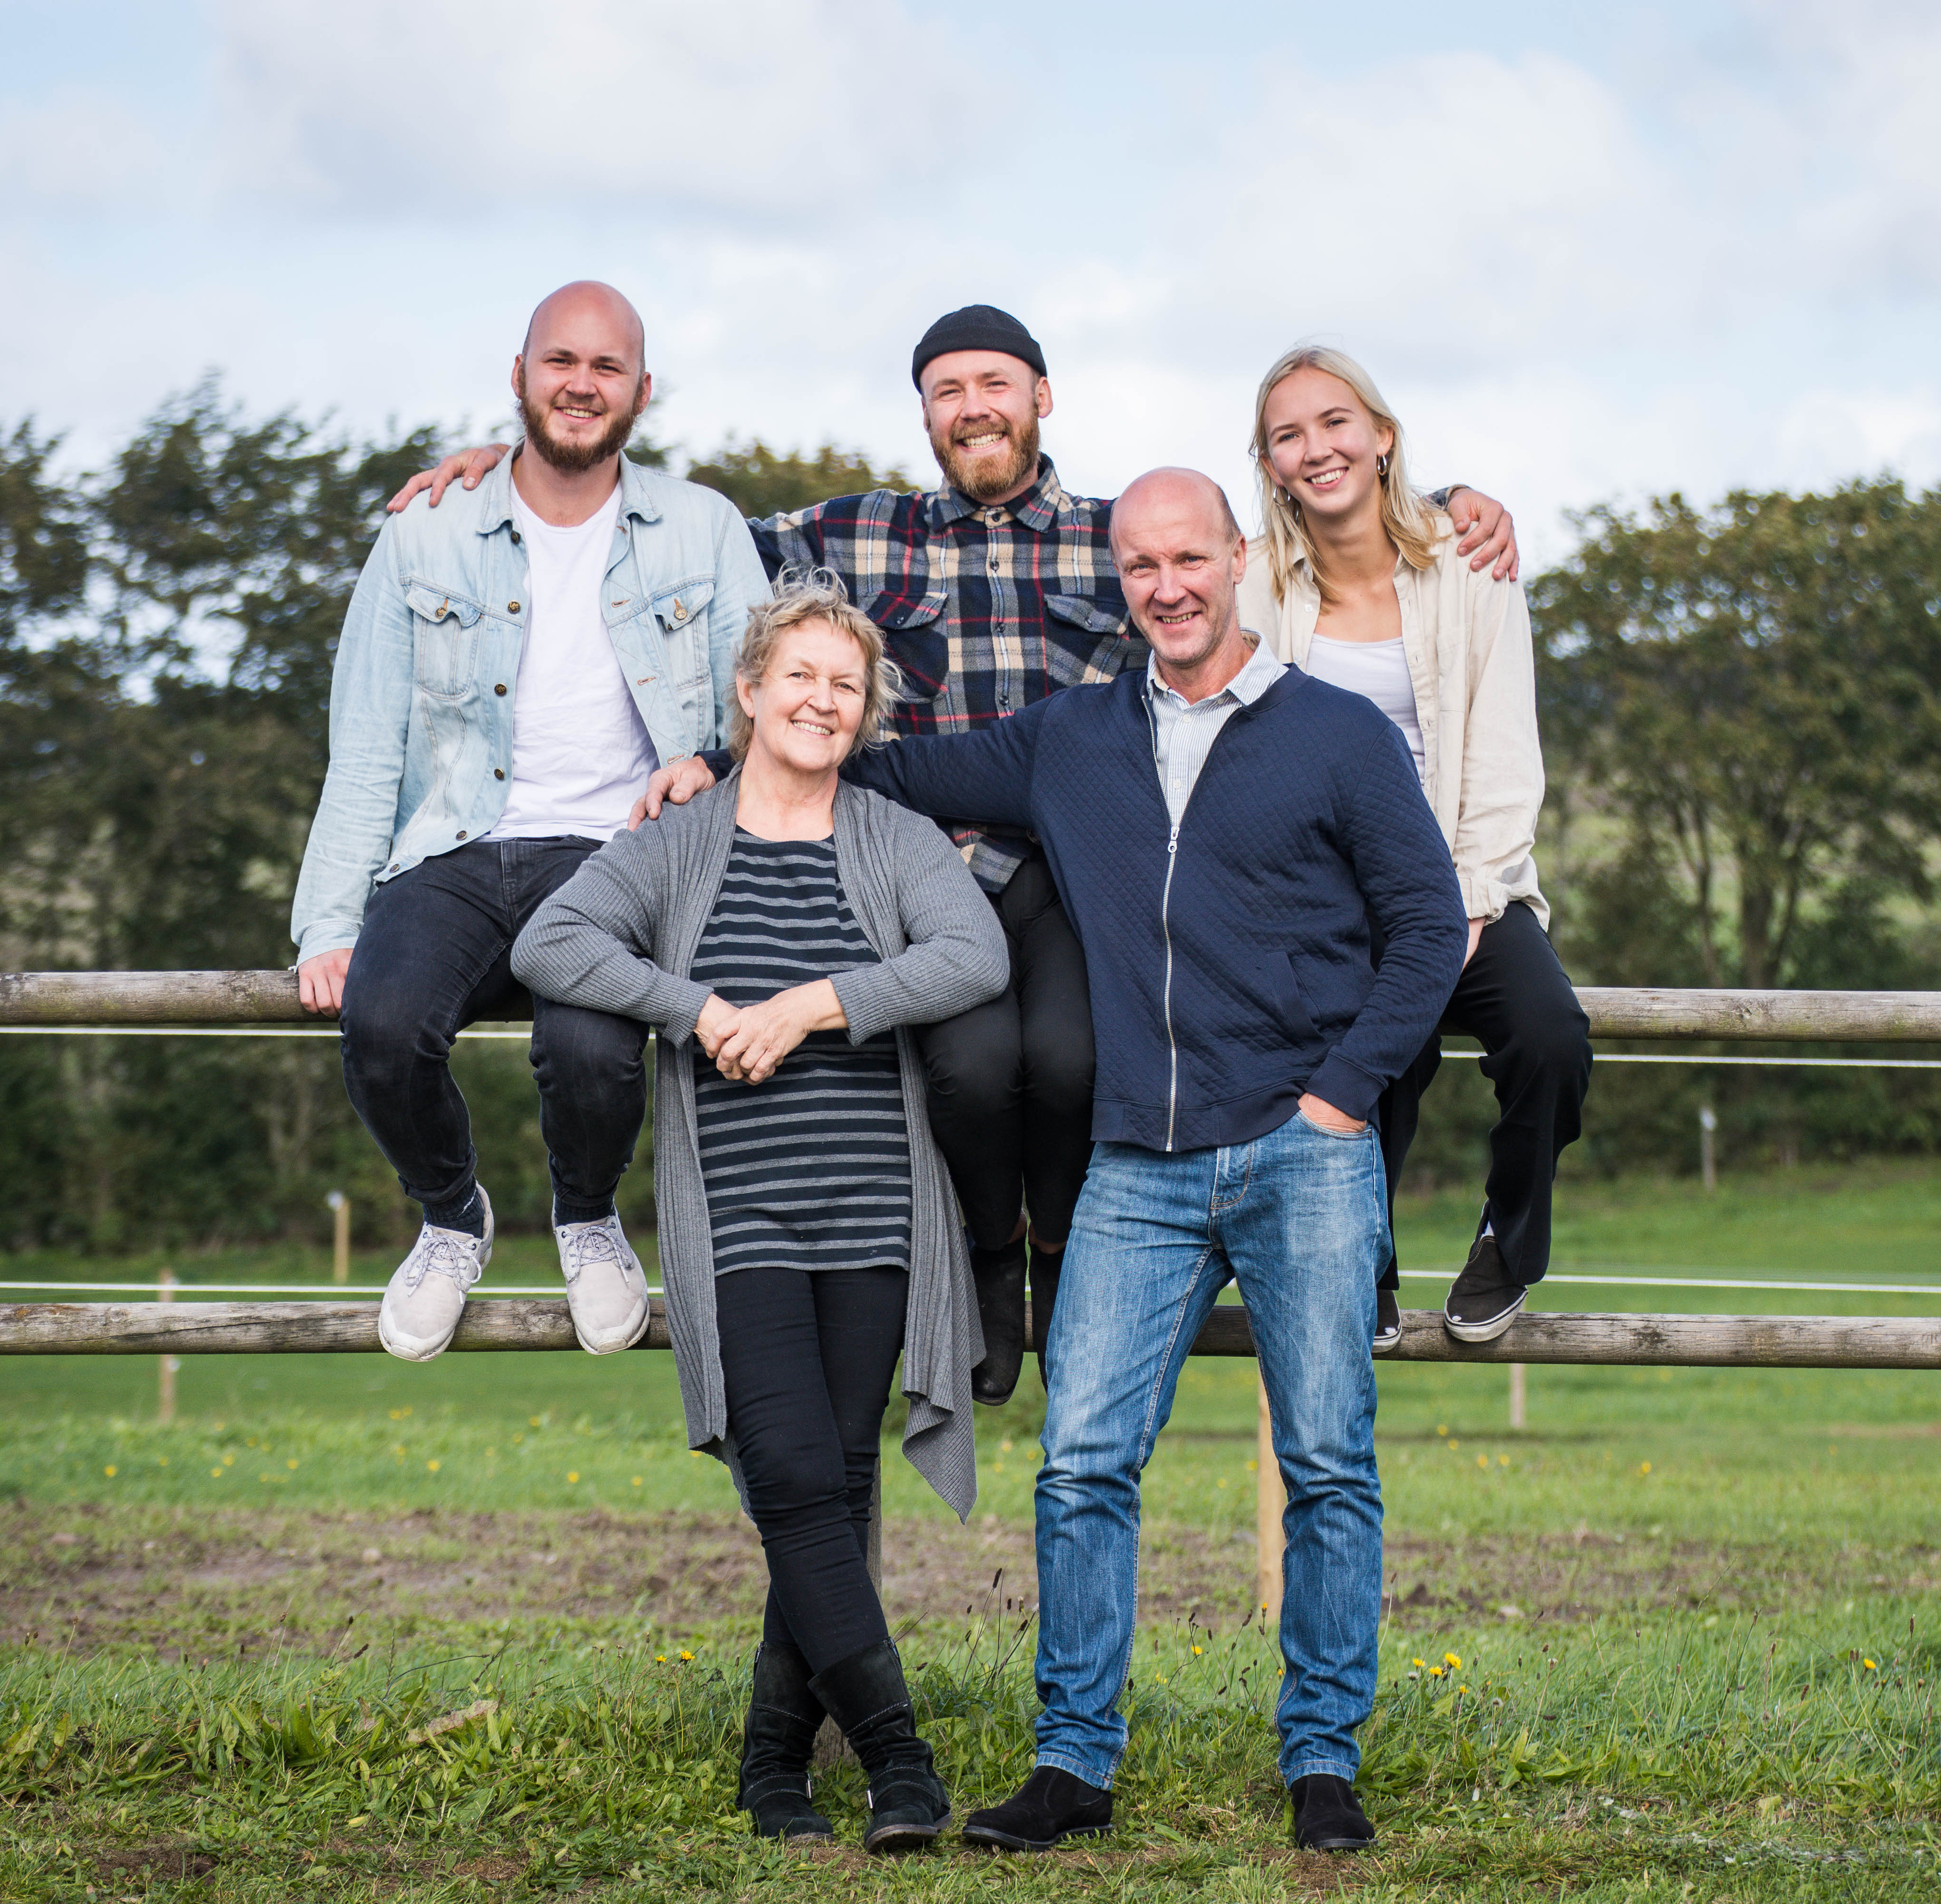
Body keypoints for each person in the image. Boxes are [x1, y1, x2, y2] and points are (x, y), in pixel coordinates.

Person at [398, 306, 1523, 1408]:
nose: (974, 407)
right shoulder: (860, 533)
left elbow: (1288, 533)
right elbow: (676, 539)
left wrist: (1451, 501)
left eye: (996, 384)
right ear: (928, 413)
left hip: (1092, 876)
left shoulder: (1115, 530)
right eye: (949, 391)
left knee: (1079, 1065)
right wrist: (532, 470)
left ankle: (1060, 1252)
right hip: (937, 863)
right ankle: (990, 1254)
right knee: (971, 1072)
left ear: (1041, 396)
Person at [836, 468, 1464, 1854]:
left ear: (1240, 559)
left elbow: (1429, 929)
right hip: (1138, 1162)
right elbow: (890, 769)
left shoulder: (1341, 735)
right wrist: (738, 756)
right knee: (1080, 1465)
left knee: (1328, 1465)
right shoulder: (1071, 737)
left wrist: (1342, 1101)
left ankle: (1322, 1762)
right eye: (1139, 565)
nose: (1167, 585)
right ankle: (1072, 1767)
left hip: (1303, 1148)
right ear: (1116, 579)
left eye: (1191, 557)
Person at [511, 574, 1006, 1850]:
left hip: (879, 1214)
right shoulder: (683, 842)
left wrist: (811, 1005)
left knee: (830, 1484)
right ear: (748, 692)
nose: (823, 701)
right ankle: (903, 1762)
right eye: (801, 678)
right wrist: (701, 1010)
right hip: (741, 1215)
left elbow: (974, 955)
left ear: (864, 712)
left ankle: (774, 1764)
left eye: (847, 687)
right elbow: (554, 944)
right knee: (791, 1475)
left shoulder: (890, 839)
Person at [289, 280, 765, 1362]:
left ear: (642, 391)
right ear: (519, 376)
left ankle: (588, 1215)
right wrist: (327, 919)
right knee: (380, 1023)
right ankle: (452, 1216)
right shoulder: (424, 532)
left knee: (592, 1048)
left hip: (615, 855)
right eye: (561, 361)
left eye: (606, 368)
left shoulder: (705, 526)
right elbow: (365, 740)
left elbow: (761, 695)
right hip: (455, 845)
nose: (581, 385)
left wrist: (708, 761)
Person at [1238, 346, 1593, 1347]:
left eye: (1336, 423)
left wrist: (1471, 904)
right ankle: (1367, 1262)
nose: (1317, 449)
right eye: (1288, 435)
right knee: (1372, 1050)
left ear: (1382, 435)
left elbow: (1504, 747)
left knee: (1550, 1034)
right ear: (1267, 465)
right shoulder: (1255, 583)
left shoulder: (1469, 562)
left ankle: (1512, 1240)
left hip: (1462, 880)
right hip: (1327, 898)